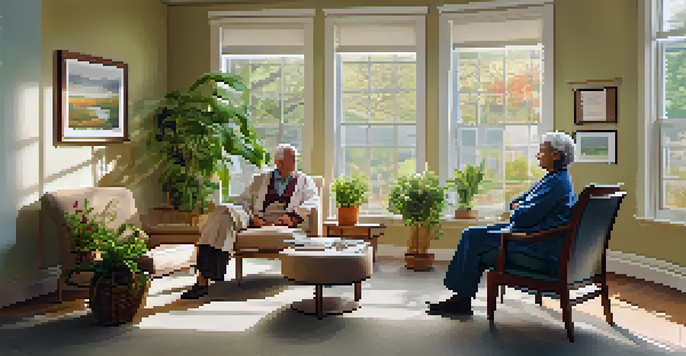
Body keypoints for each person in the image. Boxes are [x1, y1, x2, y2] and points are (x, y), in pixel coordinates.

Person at [427, 132, 577, 315]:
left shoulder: (556, 183)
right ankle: (461, 299)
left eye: (542, 151)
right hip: (530, 234)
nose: (538, 155)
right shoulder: (554, 179)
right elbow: (517, 202)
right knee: (471, 233)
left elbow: (522, 216)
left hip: (535, 245)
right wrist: (519, 207)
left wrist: (519, 208)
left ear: (556, 155)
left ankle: (461, 300)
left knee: (472, 238)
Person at [181, 143, 320, 299]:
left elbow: (313, 201)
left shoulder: (304, 180)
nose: (296, 161)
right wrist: (254, 219)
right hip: (255, 217)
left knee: (220, 223)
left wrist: (293, 217)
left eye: (296, 158)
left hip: (283, 219)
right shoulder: (260, 179)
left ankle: (203, 280)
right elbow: (243, 202)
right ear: (278, 162)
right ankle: (205, 277)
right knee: (223, 210)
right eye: (292, 158)